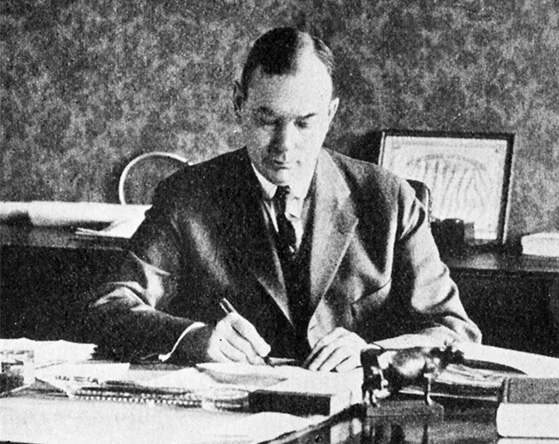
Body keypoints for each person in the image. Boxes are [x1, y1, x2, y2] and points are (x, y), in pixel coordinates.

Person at [87, 27, 481, 372]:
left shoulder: (390, 198)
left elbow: (456, 331)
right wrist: (193, 337)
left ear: (330, 115)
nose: (284, 145)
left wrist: (375, 353)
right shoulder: (187, 196)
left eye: (305, 123)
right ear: (238, 103)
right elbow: (110, 304)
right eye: (267, 119)